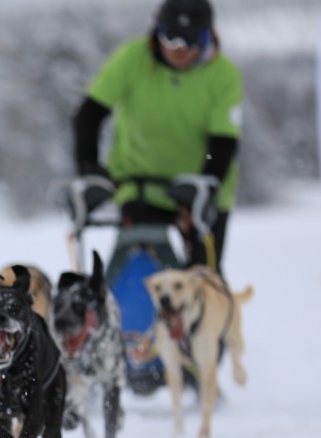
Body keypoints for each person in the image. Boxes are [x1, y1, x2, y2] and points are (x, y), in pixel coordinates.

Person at [72, 0, 242, 273]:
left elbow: (223, 143)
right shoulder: (132, 58)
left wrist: (206, 185)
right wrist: (89, 167)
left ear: (208, 35)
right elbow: (89, 115)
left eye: (191, 40)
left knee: (202, 281)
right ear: (156, 30)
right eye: (170, 37)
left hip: (201, 187)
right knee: (141, 271)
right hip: (141, 184)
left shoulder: (224, 75)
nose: (179, 49)